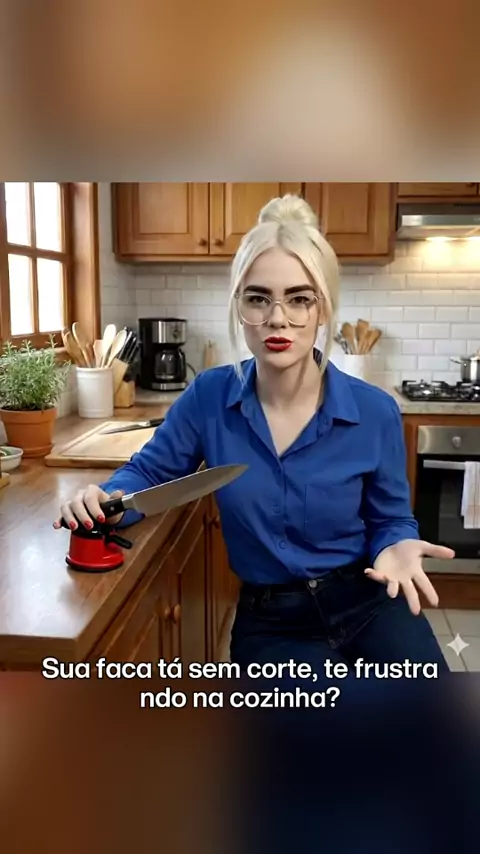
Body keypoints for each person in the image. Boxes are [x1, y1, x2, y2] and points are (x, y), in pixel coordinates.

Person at [54, 194, 454, 676]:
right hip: (273, 624)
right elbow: (151, 473)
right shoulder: (209, 397)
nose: (277, 318)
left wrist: (397, 544)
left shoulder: (375, 411)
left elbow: (390, 518)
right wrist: (107, 499)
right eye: (258, 298)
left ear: (324, 309)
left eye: (300, 299)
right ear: (239, 306)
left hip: (369, 601)